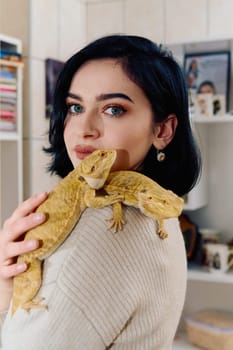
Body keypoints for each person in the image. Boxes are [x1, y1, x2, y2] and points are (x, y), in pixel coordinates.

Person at [0, 34, 201, 349]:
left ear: (163, 130)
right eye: (75, 106)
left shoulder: (104, 225)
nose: (84, 128)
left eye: (114, 109)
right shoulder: (154, 208)